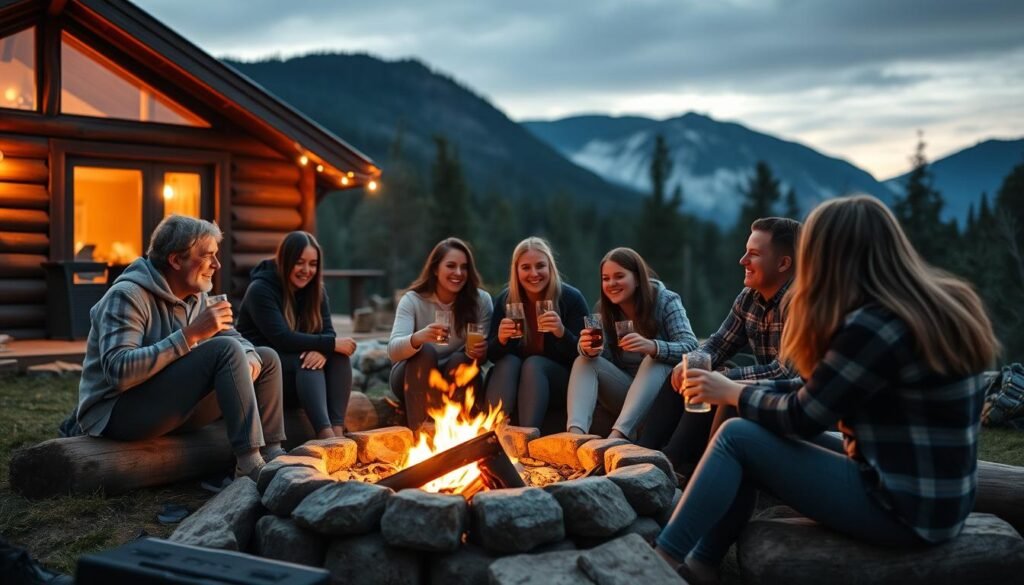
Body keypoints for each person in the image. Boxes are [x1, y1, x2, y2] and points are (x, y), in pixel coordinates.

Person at [654, 195, 998, 584]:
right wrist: (734, 390)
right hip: (932, 495)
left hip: (902, 508)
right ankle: (701, 564)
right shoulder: (929, 303)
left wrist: (731, 391)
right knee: (745, 421)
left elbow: (803, 416)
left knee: (737, 436)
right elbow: (818, 388)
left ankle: (661, 561)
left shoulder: (874, 324)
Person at [76, 215, 285, 480]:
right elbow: (119, 372)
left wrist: (250, 356)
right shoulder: (127, 295)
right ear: (176, 260)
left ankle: (273, 453)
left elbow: (235, 337)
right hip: (118, 414)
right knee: (225, 350)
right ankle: (249, 463)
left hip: (170, 408)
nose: (217, 265)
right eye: (208, 256)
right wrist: (192, 334)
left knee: (266, 357)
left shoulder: (196, 295)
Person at [640, 217, 801, 472]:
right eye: (745, 251)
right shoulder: (749, 297)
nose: (743, 260)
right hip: (763, 386)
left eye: (754, 254)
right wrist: (693, 362)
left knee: (713, 381)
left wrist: (722, 378)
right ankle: (641, 452)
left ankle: (673, 463)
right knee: (684, 373)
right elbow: (718, 343)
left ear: (783, 263)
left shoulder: (802, 303)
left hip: (793, 403)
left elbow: (787, 372)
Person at [567, 247, 698, 440]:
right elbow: (598, 354)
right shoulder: (603, 311)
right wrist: (587, 349)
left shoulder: (665, 300)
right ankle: (574, 437)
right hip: (626, 393)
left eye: (619, 276)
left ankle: (618, 437)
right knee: (583, 361)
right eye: (606, 278)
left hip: (664, 397)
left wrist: (652, 346)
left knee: (652, 360)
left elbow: (692, 347)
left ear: (637, 279)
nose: (612, 283)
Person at [237, 231, 356, 440]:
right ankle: (325, 436)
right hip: (265, 377)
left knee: (338, 357)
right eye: (299, 262)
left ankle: (337, 429)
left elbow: (328, 332)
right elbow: (282, 338)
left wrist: (325, 351)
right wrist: (328, 345)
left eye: (313, 264)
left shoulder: (316, 291)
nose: (306, 270)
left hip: (299, 377)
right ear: (285, 260)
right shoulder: (260, 289)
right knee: (307, 363)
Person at [388, 238, 493, 430]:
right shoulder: (412, 300)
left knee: (461, 359)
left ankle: (456, 440)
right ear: (435, 269)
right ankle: (420, 435)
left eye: (464, 267)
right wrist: (419, 338)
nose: (458, 273)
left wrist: (481, 353)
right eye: (451, 266)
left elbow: (481, 358)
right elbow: (393, 352)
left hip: (457, 376)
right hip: (411, 377)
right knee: (425, 352)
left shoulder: (481, 301)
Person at [485, 237, 589, 429]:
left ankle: (526, 437)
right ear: (516, 270)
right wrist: (500, 340)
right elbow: (491, 356)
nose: (534, 273)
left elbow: (585, 356)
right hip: (516, 380)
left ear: (550, 267)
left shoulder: (570, 298)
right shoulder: (506, 300)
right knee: (508, 361)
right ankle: (493, 433)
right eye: (526, 267)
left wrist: (561, 333)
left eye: (540, 266)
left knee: (534, 364)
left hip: (559, 381)